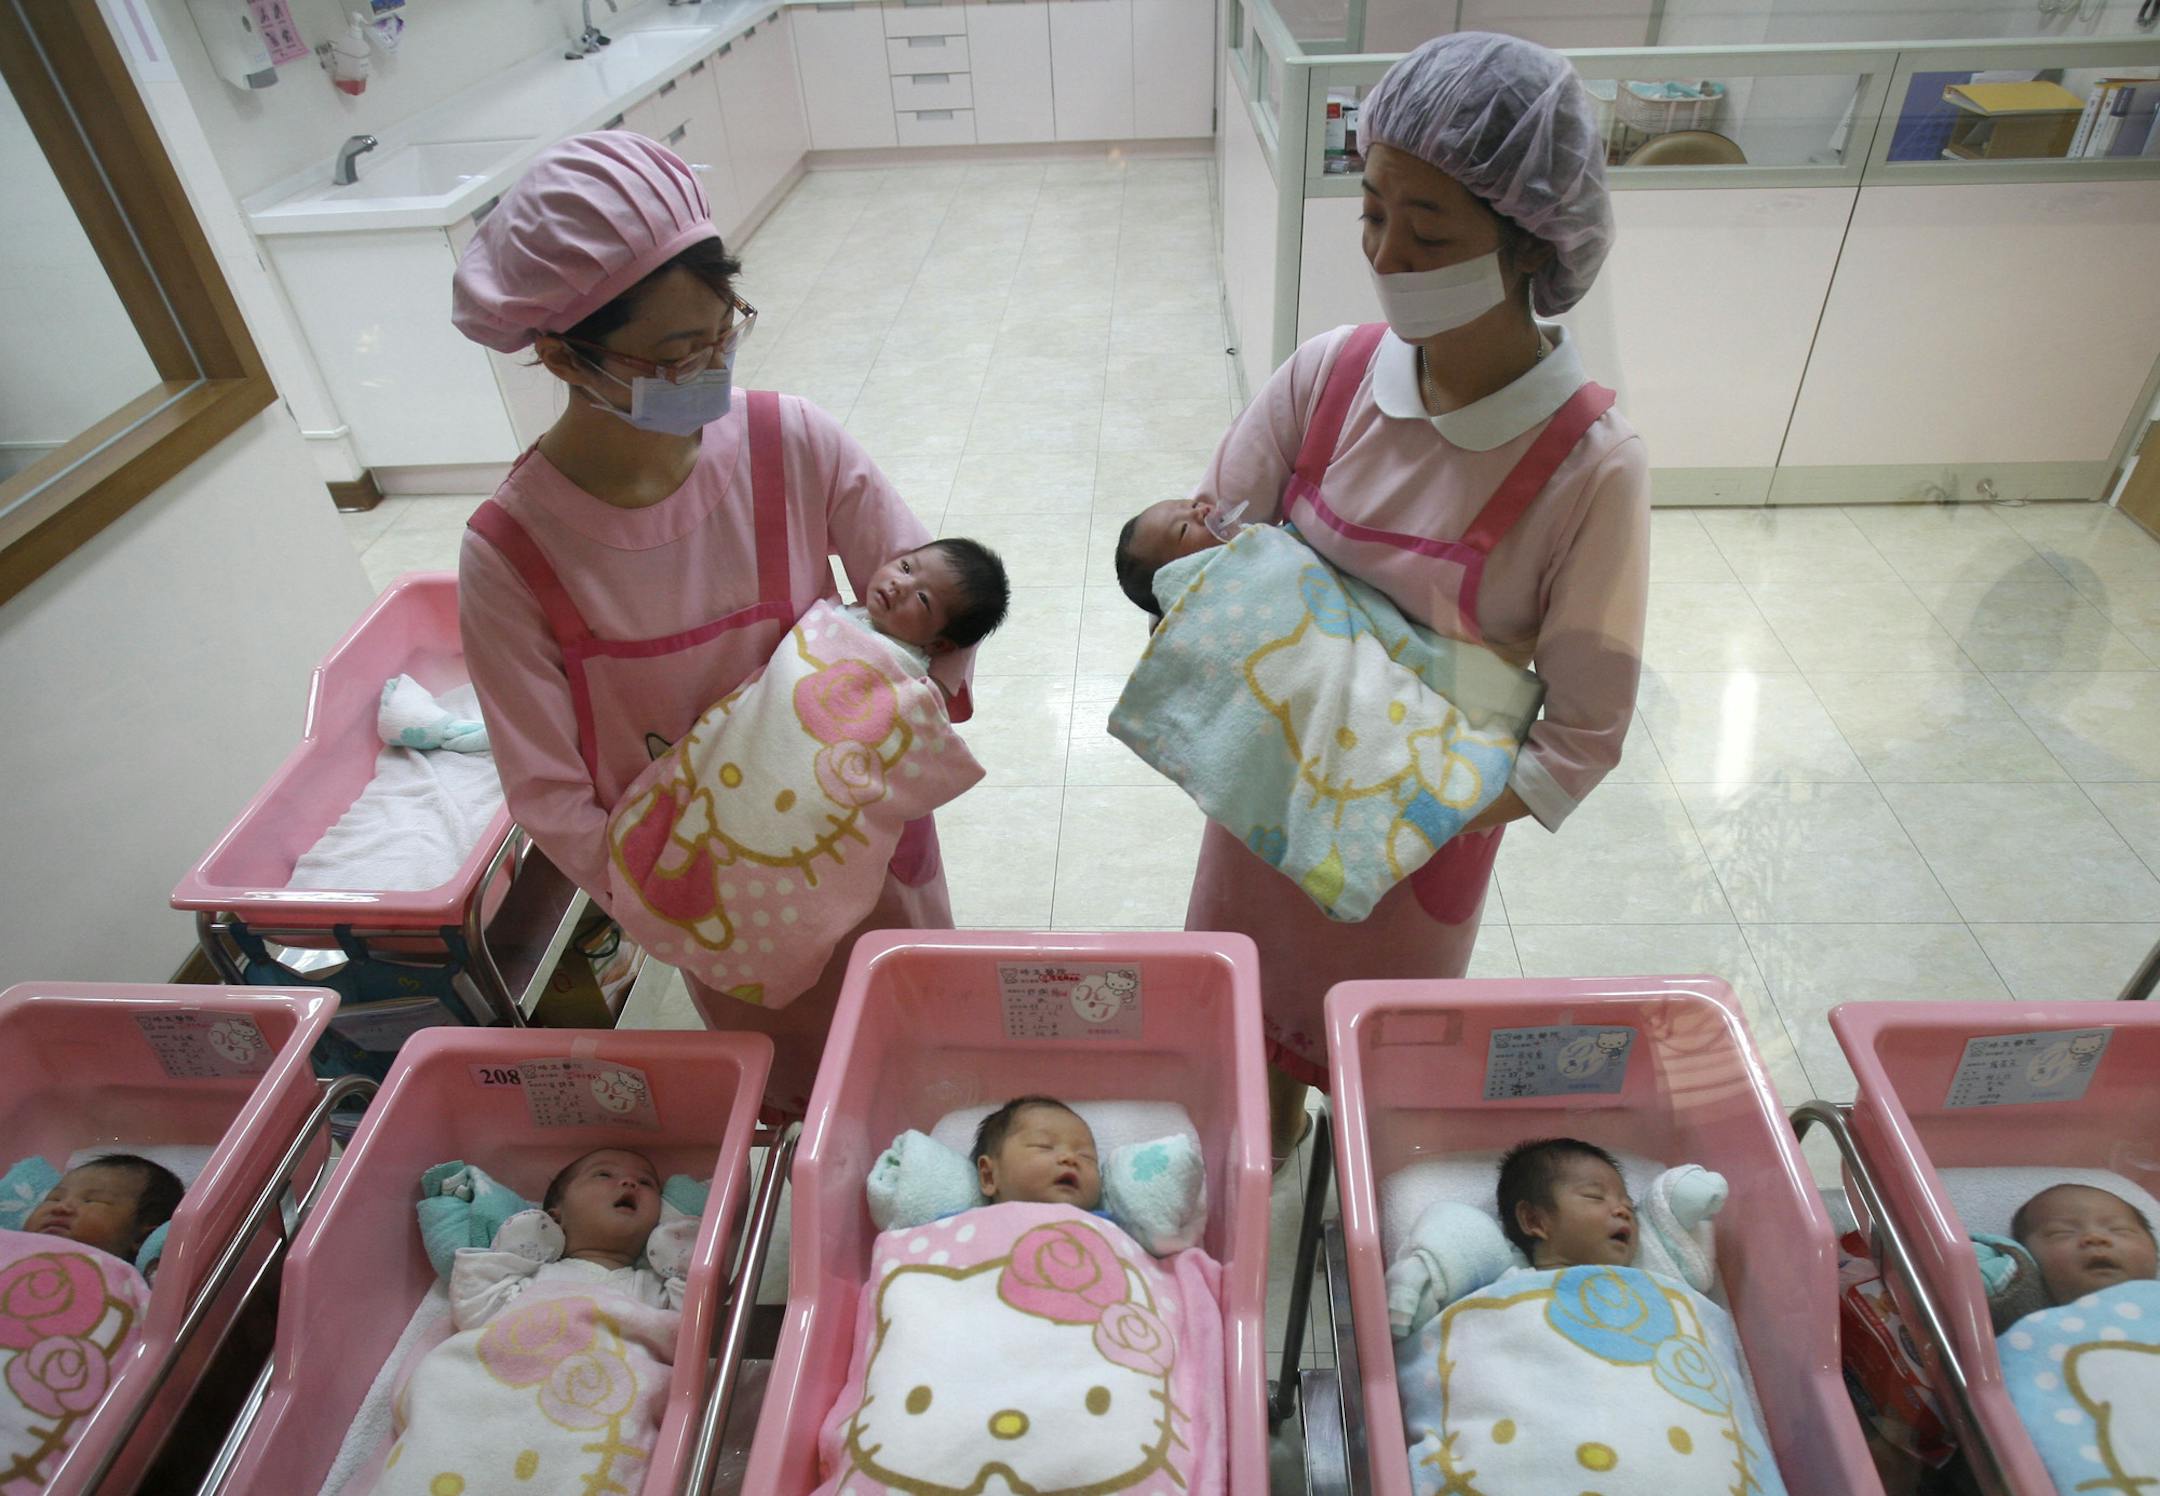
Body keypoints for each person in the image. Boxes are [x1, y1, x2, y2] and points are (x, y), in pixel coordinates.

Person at [1174, 35, 1651, 1161]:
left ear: (1532, 240)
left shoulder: (1589, 468)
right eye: (1373, 211)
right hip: (1257, 809)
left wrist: (1398, 809)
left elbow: (1581, 737)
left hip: (1414, 850)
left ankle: (1352, 1195)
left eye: (1428, 230)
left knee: (1373, 1070)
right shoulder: (1328, 377)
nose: (1387, 253)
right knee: (1243, 1055)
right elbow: (1204, 561)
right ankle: (1259, 1161)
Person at [451, 133, 977, 1115]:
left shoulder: (790, 442)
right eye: (674, 355)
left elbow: (939, 608)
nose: (711, 366)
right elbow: (548, 791)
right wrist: (678, 905)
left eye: (721, 329)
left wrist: (893, 727)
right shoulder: (514, 556)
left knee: (921, 1039)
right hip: (721, 904)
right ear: (561, 354)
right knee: (799, 1088)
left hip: (866, 840)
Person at [848, 537, 1011, 676]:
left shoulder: (904, 675)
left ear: (937, 645)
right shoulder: (851, 614)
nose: (900, 585)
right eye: (906, 568)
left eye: (923, 598)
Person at [1495, 1137, 1635, 1269]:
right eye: (1595, 1196)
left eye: (1629, 1206)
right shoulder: (1516, 1283)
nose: (1623, 1211)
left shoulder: (1644, 1280)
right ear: (1534, 1220)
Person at [23, 1154, 184, 1265]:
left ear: (142, 1238)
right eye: (54, 1198)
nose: (60, 1207)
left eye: (91, 1201)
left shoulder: (125, 1284)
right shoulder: (11, 1243)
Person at [971, 1096, 1103, 1209]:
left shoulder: (1105, 1225)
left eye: (1086, 1156)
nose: (1070, 1157)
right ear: (989, 1176)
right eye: (1044, 1146)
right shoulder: (973, 1223)